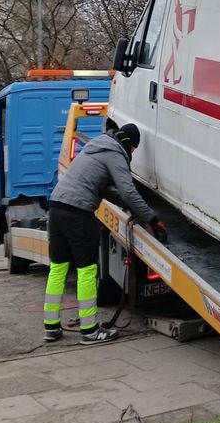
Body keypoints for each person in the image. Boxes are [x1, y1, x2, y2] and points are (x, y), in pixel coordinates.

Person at [43, 123, 166, 344]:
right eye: (134, 150)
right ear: (129, 144)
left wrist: (130, 208)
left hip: (57, 207)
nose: (132, 154)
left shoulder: (96, 147)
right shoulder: (116, 153)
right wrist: (152, 218)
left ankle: (51, 327)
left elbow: (103, 189)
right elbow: (128, 191)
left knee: (58, 268)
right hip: (78, 213)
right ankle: (90, 331)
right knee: (87, 270)